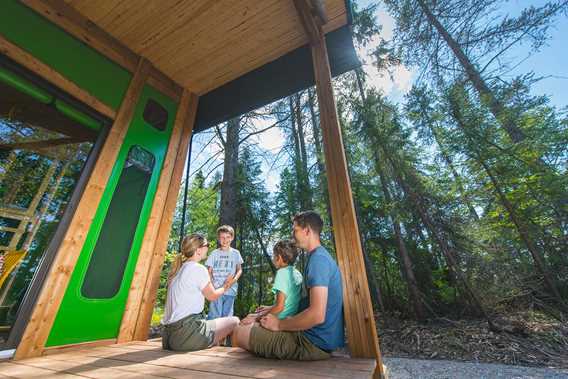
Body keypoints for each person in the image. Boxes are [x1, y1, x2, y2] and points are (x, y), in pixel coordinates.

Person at [232, 211, 344, 360]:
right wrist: (270, 314)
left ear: (307, 231)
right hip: (315, 338)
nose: (293, 234)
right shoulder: (319, 257)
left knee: (238, 331)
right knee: (252, 327)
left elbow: (317, 315)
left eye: (295, 230)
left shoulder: (319, 261)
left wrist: (279, 325)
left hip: (310, 343)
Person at [162, 233, 239, 351]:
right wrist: (226, 285)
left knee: (212, 322)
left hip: (168, 337)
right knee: (234, 321)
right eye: (207, 245)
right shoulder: (198, 268)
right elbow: (212, 296)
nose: (209, 247)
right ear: (198, 250)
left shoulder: (177, 270)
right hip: (185, 335)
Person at [241, 240, 303, 325]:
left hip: (280, 319)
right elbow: (288, 302)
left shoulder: (282, 273)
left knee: (246, 320)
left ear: (279, 258)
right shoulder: (296, 273)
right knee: (252, 315)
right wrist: (268, 308)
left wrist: (256, 318)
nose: (273, 258)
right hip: (290, 317)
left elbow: (279, 307)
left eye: (274, 256)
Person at [206, 225, 243, 319]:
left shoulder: (236, 253)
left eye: (227, 237)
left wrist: (233, 280)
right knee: (214, 316)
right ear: (218, 239)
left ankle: (225, 334)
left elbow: (239, 270)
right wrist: (211, 286)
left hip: (230, 289)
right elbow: (209, 271)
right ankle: (212, 333)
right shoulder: (214, 253)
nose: (225, 240)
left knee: (226, 317)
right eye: (222, 237)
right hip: (216, 289)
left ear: (232, 238)